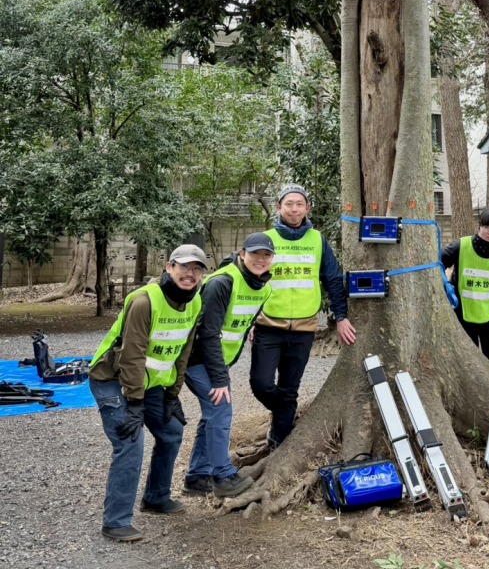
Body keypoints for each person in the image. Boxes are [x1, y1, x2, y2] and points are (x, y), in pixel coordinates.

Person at [89, 244, 206, 542]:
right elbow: (132, 355)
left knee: (172, 431)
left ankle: (155, 496)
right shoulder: (144, 301)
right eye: (184, 267)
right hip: (113, 379)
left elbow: (183, 352)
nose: (190, 274)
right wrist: (135, 404)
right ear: (169, 268)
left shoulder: (194, 304)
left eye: (196, 269)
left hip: (150, 385)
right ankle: (115, 522)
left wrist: (172, 394)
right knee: (130, 442)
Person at [252, 184, 356, 447]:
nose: (294, 208)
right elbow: (247, 280)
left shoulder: (317, 240)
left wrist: (341, 317)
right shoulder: (265, 240)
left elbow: (332, 280)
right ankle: (284, 413)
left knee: (289, 387)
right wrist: (248, 320)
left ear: (307, 208)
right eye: (289, 204)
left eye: (300, 204)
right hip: (268, 326)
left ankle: (279, 441)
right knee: (261, 384)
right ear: (279, 207)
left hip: (304, 329)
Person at [183, 232, 274, 499]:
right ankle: (222, 476)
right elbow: (208, 334)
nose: (260, 259)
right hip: (197, 358)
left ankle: (197, 477)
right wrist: (220, 379)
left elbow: (243, 324)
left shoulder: (264, 287)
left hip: (219, 361)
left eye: (266, 255)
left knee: (212, 415)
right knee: (221, 409)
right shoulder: (222, 282)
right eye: (255, 254)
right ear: (242, 254)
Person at [441, 209, 489, 369]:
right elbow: (438, 263)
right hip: (462, 314)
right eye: (486, 226)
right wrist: (445, 289)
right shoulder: (462, 245)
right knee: (466, 361)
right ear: (479, 227)